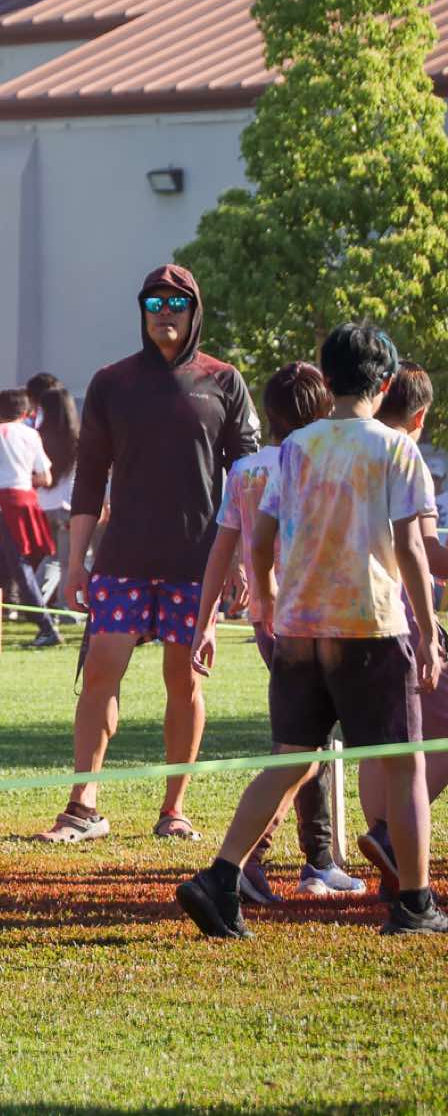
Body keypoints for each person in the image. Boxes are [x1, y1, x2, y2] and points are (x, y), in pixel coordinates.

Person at [176, 322, 445, 938]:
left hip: (299, 629)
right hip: (370, 627)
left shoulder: (296, 447)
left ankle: (220, 878)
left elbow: (261, 536)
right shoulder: (395, 449)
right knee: (404, 763)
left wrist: (270, 595)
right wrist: (428, 630)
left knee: (290, 761)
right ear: (385, 384)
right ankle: (414, 903)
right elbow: (411, 548)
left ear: (328, 379)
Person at [40, 264, 259, 844]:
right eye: (154, 302)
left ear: (194, 311)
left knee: (184, 682)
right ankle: (83, 806)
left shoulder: (224, 381)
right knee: (100, 674)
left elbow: (247, 478)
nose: (165, 312)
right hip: (123, 561)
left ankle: (174, 808)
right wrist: (76, 563)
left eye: (176, 303)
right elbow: (90, 478)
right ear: (142, 311)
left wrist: (240, 559)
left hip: (196, 561)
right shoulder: (111, 383)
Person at [187, 362, 358, 904]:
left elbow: (220, 551)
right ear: (322, 408)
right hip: (322, 617)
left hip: (268, 623)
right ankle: (267, 859)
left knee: (309, 738)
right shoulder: (323, 461)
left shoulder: (245, 471)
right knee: (305, 743)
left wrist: (205, 623)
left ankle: (317, 859)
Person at [356, 359, 448, 898]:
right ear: (418, 417)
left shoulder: (347, 447)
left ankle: (383, 837)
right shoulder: (404, 455)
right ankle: (392, 837)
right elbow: (425, 552)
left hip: (348, 610)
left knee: (381, 732)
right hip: (400, 610)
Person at [0, 389, 61, 649]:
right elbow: (46, 477)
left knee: (19, 566)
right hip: (28, 501)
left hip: (7, 505)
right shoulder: (32, 434)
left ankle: (46, 627)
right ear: (26, 412)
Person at [28, 374, 79, 604]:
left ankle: (33, 602)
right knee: (69, 561)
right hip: (69, 506)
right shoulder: (78, 440)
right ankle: (66, 609)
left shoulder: (38, 437)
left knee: (53, 558)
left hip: (44, 506)